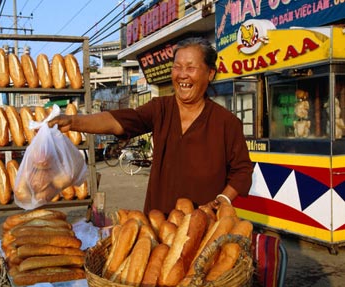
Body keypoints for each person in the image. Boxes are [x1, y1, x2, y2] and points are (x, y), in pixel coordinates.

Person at [49, 37, 253, 215]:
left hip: (203, 225)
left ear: (210, 73)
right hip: (157, 222)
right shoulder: (161, 109)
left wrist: (223, 199)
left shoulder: (226, 123)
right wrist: (74, 121)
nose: (182, 75)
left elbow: (242, 170)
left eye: (190, 68)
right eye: (177, 67)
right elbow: (120, 121)